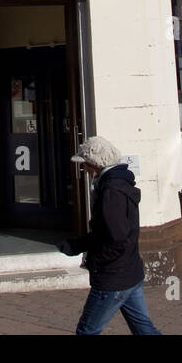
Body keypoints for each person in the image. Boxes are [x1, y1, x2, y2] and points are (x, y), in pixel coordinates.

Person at [59, 135, 160, 334]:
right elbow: (110, 232)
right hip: (129, 272)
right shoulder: (120, 185)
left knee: (87, 330)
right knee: (144, 329)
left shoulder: (110, 192)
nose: (84, 170)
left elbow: (116, 237)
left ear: (94, 164)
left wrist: (97, 262)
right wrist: (78, 245)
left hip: (113, 277)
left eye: (85, 165)